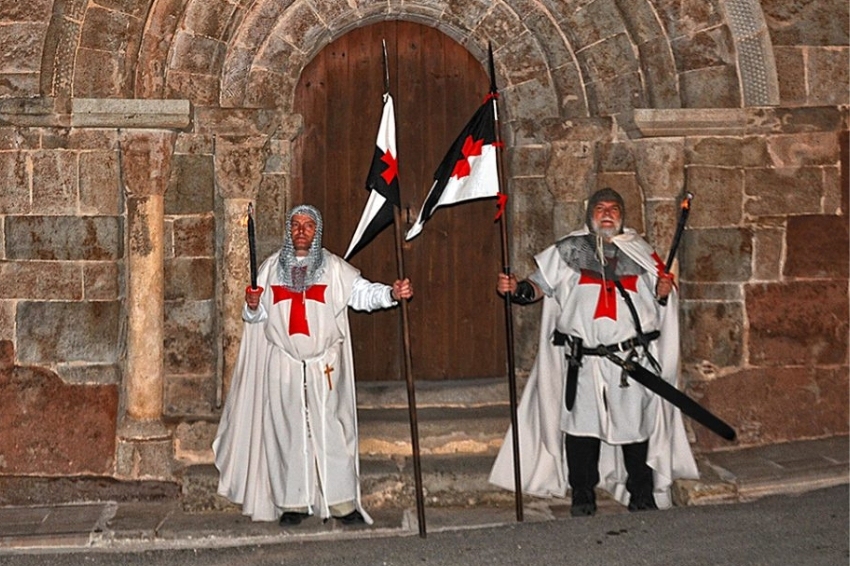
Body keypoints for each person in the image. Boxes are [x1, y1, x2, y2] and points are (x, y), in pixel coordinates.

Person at [489, 188, 698, 516]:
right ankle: (582, 495)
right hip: (582, 361)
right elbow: (537, 288)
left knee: (635, 426)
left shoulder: (642, 251)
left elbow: (657, 306)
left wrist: (662, 292)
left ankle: (641, 493)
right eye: (600, 208)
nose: (607, 214)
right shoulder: (568, 249)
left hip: (628, 362)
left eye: (614, 208)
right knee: (580, 429)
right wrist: (515, 290)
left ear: (622, 215)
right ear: (589, 213)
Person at [213, 204, 413, 526]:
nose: (301, 231)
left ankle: (341, 503)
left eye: (308, 225)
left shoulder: (333, 268)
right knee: (287, 432)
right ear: (288, 230)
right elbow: (256, 318)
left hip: (324, 366)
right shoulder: (269, 269)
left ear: (317, 231)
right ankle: (294, 502)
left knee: (331, 429)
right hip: (284, 364)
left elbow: (361, 295)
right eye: (296, 225)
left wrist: (390, 293)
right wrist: (251, 306)